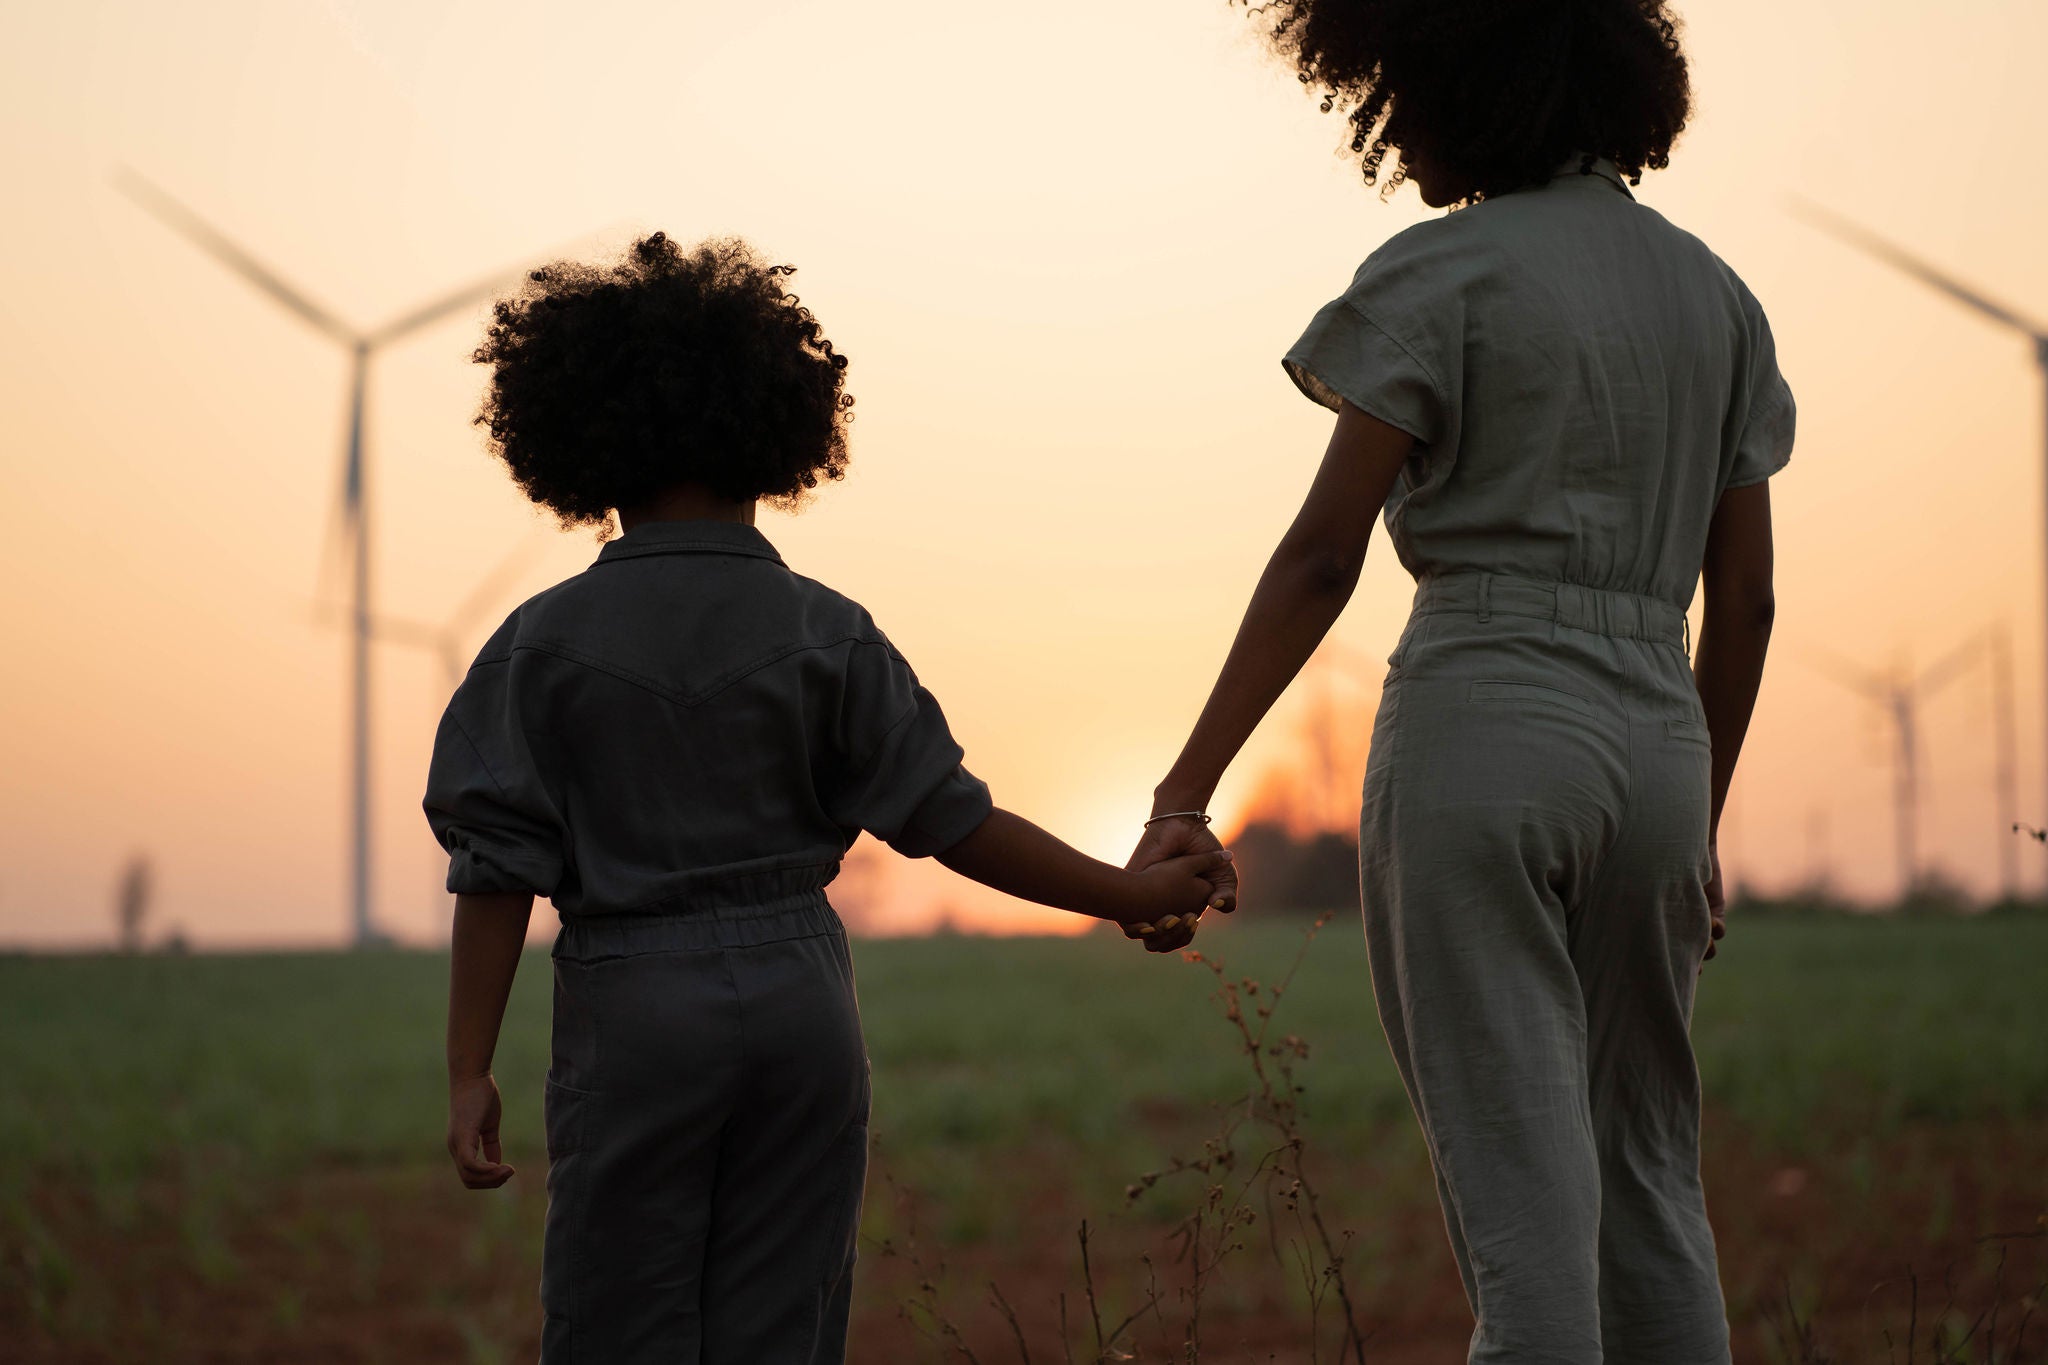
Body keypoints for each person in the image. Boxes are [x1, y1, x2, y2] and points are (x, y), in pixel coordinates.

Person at [426, 233, 1232, 1365]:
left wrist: (468, 1069)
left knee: (620, 1322)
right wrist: (1118, 888)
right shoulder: (827, 630)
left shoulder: (535, 648)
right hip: (803, 998)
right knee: (784, 1325)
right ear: (776, 434)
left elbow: (497, 868)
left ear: (580, 445)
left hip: (633, 995)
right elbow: (954, 821)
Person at [1129, 2, 1790, 1360]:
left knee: (1525, 1215)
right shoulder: (1720, 295)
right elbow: (1752, 599)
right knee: (1653, 1181)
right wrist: (1702, 815)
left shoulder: (1444, 274)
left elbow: (1324, 560)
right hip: (1663, 735)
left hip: (1485, 716)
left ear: (1449, 84)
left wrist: (1186, 788)